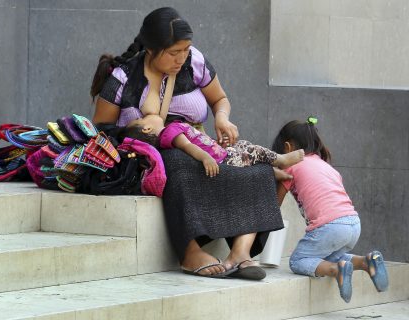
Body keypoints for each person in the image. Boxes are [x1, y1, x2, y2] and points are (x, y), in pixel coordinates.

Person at [91, 7, 285, 280]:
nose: (181, 58)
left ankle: (241, 252)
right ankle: (189, 251)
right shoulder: (123, 78)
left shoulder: (195, 62)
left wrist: (222, 118)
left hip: (199, 144)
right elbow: (100, 131)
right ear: (151, 49)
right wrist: (140, 127)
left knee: (258, 168)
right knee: (177, 163)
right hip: (150, 155)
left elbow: (220, 99)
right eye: (173, 52)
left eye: (185, 49)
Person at [272, 117, 389, 302]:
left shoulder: (292, 166)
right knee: (329, 257)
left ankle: (337, 270)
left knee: (298, 261)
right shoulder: (326, 166)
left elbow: (274, 204)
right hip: (353, 224)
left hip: (329, 227)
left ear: (287, 148)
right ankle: (366, 262)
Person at [119, 114, 304, 177]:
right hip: (223, 160)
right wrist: (206, 157)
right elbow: (188, 147)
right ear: (147, 128)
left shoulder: (171, 128)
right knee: (251, 150)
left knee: (243, 146)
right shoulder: (169, 134)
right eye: (142, 118)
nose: (146, 114)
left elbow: (200, 141)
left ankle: (274, 171)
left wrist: (217, 144)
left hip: (222, 153)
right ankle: (281, 160)